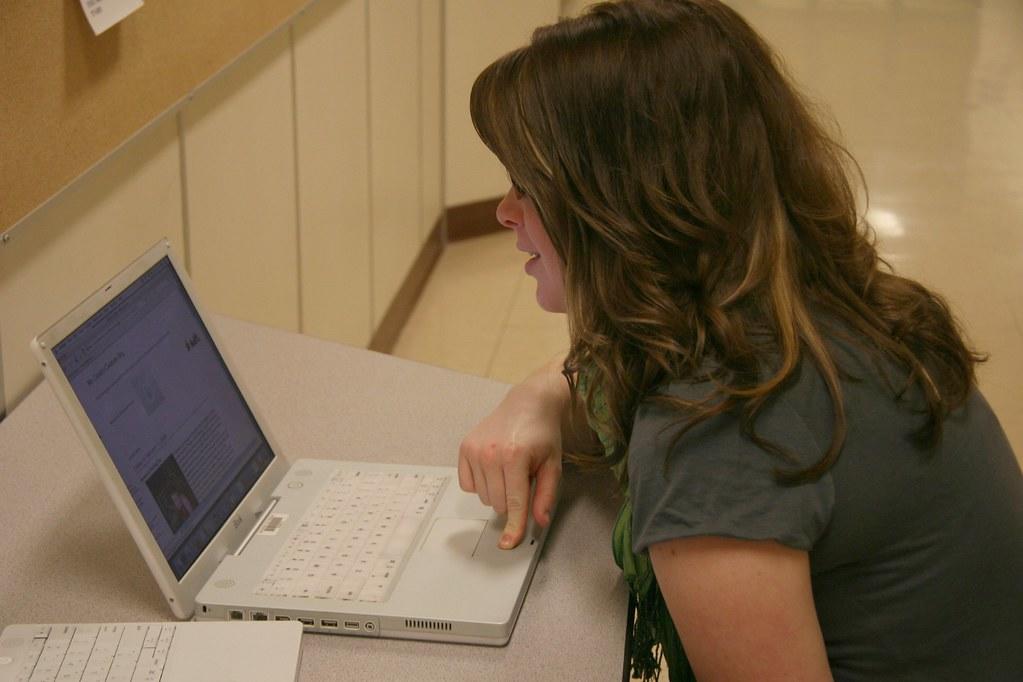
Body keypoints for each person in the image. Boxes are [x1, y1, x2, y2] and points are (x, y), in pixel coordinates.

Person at [456, 1, 1023, 680]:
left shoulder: (711, 434)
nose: (505, 211)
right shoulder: (815, 303)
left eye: (527, 186)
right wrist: (543, 394)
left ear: (617, 209)